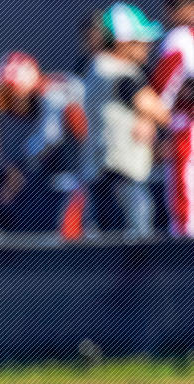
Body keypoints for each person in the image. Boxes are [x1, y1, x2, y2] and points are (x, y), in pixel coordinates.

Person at [83, 3, 170, 237]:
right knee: (138, 245)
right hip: (121, 179)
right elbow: (162, 112)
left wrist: (145, 118)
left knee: (105, 247)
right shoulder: (119, 74)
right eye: (140, 40)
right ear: (122, 42)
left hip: (102, 176)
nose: (148, 46)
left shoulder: (98, 68)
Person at [0, 52, 89, 234]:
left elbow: (50, 139)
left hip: (78, 176)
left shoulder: (51, 94)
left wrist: (18, 169)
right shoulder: (52, 87)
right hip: (78, 171)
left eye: (11, 95)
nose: (10, 104)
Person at [151, 0, 194, 236]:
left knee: (184, 219)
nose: (167, 11)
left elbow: (159, 94)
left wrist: (151, 126)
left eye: (174, 5)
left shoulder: (180, 38)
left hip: (187, 133)